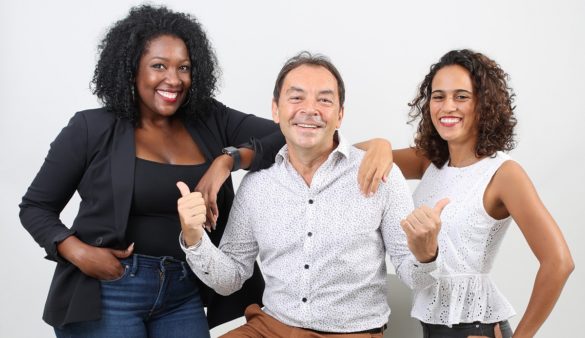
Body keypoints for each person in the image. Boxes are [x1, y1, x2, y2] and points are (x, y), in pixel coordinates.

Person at [18, 6, 392, 338]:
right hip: (109, 288)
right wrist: (75, 251)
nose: (174, 79)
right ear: (131, 68)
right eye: (159, 66)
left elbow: (295, 132)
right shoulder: (91, 128)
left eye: (184, 67)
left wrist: (226, 159)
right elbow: (35, 206)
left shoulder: (208, 120)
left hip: (183, 290)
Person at [177, 51, 432, 338]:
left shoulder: (380, 174)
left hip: (351, 333)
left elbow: (414, 276)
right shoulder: (257, 185)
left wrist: (426, 254)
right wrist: (194, 238)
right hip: (271, 328)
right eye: (296, 97)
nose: (309, 109)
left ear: (340, 114)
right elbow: (231, 278)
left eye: (324, 100)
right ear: (276, 110)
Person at [394, 49, 574, 338]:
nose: (447, 106)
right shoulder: (429, 161)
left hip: (474, 329)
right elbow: (354, 160)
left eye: (461, 96)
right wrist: (379, 144)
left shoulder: (504, 174)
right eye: (438, 96)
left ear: (484, 104)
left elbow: (559, 262)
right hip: (430, 329)